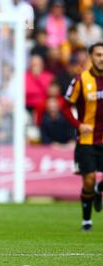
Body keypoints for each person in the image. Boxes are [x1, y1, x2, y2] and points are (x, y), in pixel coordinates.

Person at [62, 42, 103, 231]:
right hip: (87, 140)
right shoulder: (80, 80)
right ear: (91, 57)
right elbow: (65, 106)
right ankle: (87, 220)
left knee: (95, 183)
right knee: (88, 180)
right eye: (98, 55)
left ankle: (98, 190)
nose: (101, 58)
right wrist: (79, 125)